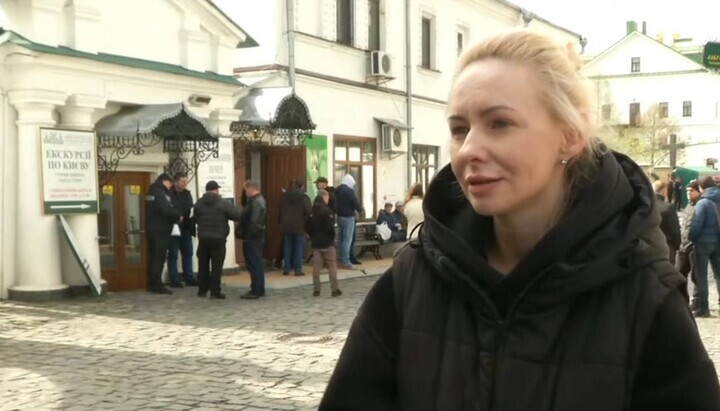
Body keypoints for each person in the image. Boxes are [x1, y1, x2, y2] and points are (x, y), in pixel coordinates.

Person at [320, 31, 720, 410]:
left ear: (569, 135)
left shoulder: (645, 296)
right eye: (460, 129)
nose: (468, 150)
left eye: (500, 123)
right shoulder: (412, 276)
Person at [193, 180, 242, 300]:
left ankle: (202, 290)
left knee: (202, 264)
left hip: (203, 238)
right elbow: (236, 215)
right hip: (218, 239)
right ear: (215, 190)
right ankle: (215, 292)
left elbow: (195, 218)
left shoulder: (199, 203)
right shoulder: (223, 203)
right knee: (216, 266)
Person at [688, 175, 720, 317]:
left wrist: (691, 239)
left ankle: (704, 308)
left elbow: (696, 225)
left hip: (702, 244)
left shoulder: (703, 203)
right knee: (719, 275)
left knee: (701, 276)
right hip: (718, 242)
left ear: (701, 188)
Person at [146, 173, 181, 295]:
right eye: (170, 184)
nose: (171, 186)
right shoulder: (160, 192)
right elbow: (166, 209)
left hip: (155, 228)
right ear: (165, 181)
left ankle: (153, 283)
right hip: (160, 230)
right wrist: (178, 216)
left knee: (155, 257)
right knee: (158, 258)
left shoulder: (153, 191)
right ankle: (156, 284)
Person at [306, 189, 342, 297]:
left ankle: (316, 289)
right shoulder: (327, 211)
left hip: (316, 243)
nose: (328, 200)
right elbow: (330, 228)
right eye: (327, 198)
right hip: (327, 242)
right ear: (323, 197)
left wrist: (312, 236)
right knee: (331, 265)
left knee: (317, 266)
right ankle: (334, 289)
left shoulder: (312, 211)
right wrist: (331, 239)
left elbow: (308, 227)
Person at [237, 181, 267, 300]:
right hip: (255, 236)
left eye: (245, 190)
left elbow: (254, 222)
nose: (244, 193)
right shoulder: (257, 201)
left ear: (250, 189)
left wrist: (247, 235)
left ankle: (256, 289)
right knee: (256, 263)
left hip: (253, 237)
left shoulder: (256, 202)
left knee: (254, 263)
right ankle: (259, 288)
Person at [167, 172, 197, 288]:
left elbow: (190, 208)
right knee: (173, 253)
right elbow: (169, 209)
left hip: (186, 227)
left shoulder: (187, 194)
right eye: (182, 181)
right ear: (176, 182)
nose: (185, 183)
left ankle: (189, 277)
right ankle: (174, 279)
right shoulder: (170, 194)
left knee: (188, 253)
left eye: (186, 181)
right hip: (174, 227)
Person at [279, 178, 312, 276]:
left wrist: (280, 222)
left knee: (287, 246)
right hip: (299, 225)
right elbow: (308, 211)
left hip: (286, 225)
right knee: (298, 247)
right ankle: (297, 269)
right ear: (302, 186)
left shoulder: (285, 196)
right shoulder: (303, 197)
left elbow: (281, 210)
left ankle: (286, 268)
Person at [677, 179, 701, 305]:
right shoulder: (688, 205)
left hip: (694, 246)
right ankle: (681, 300)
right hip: (683, 246)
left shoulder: (701, 205)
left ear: (698, 192)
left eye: (692, 191)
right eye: (687, 191)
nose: (688, 193)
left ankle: (697, 300)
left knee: (696, 276)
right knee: (679, 273)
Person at [334, 174, 363, 269]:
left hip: (339, 217)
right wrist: (360, 210)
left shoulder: (337, 190)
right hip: (348, 217)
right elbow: (355, 203)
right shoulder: (349, 191)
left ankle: (340, 259)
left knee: (341, 240)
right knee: (347, 240)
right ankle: (346, 261)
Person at [652, 180, 681, 265]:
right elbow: (675, 229)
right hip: (667, 246)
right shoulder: (668, 207)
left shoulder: (646, 206)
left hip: (649, 246)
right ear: (664, 190)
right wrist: (678, 244)